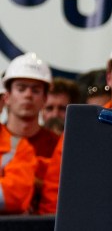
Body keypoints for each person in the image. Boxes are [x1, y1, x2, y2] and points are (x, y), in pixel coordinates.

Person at [2, 52, 62, 214]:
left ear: (44, 99)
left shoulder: (59, 145)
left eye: (35, 90)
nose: (28, 95)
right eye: (21, 89)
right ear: (7, 97)